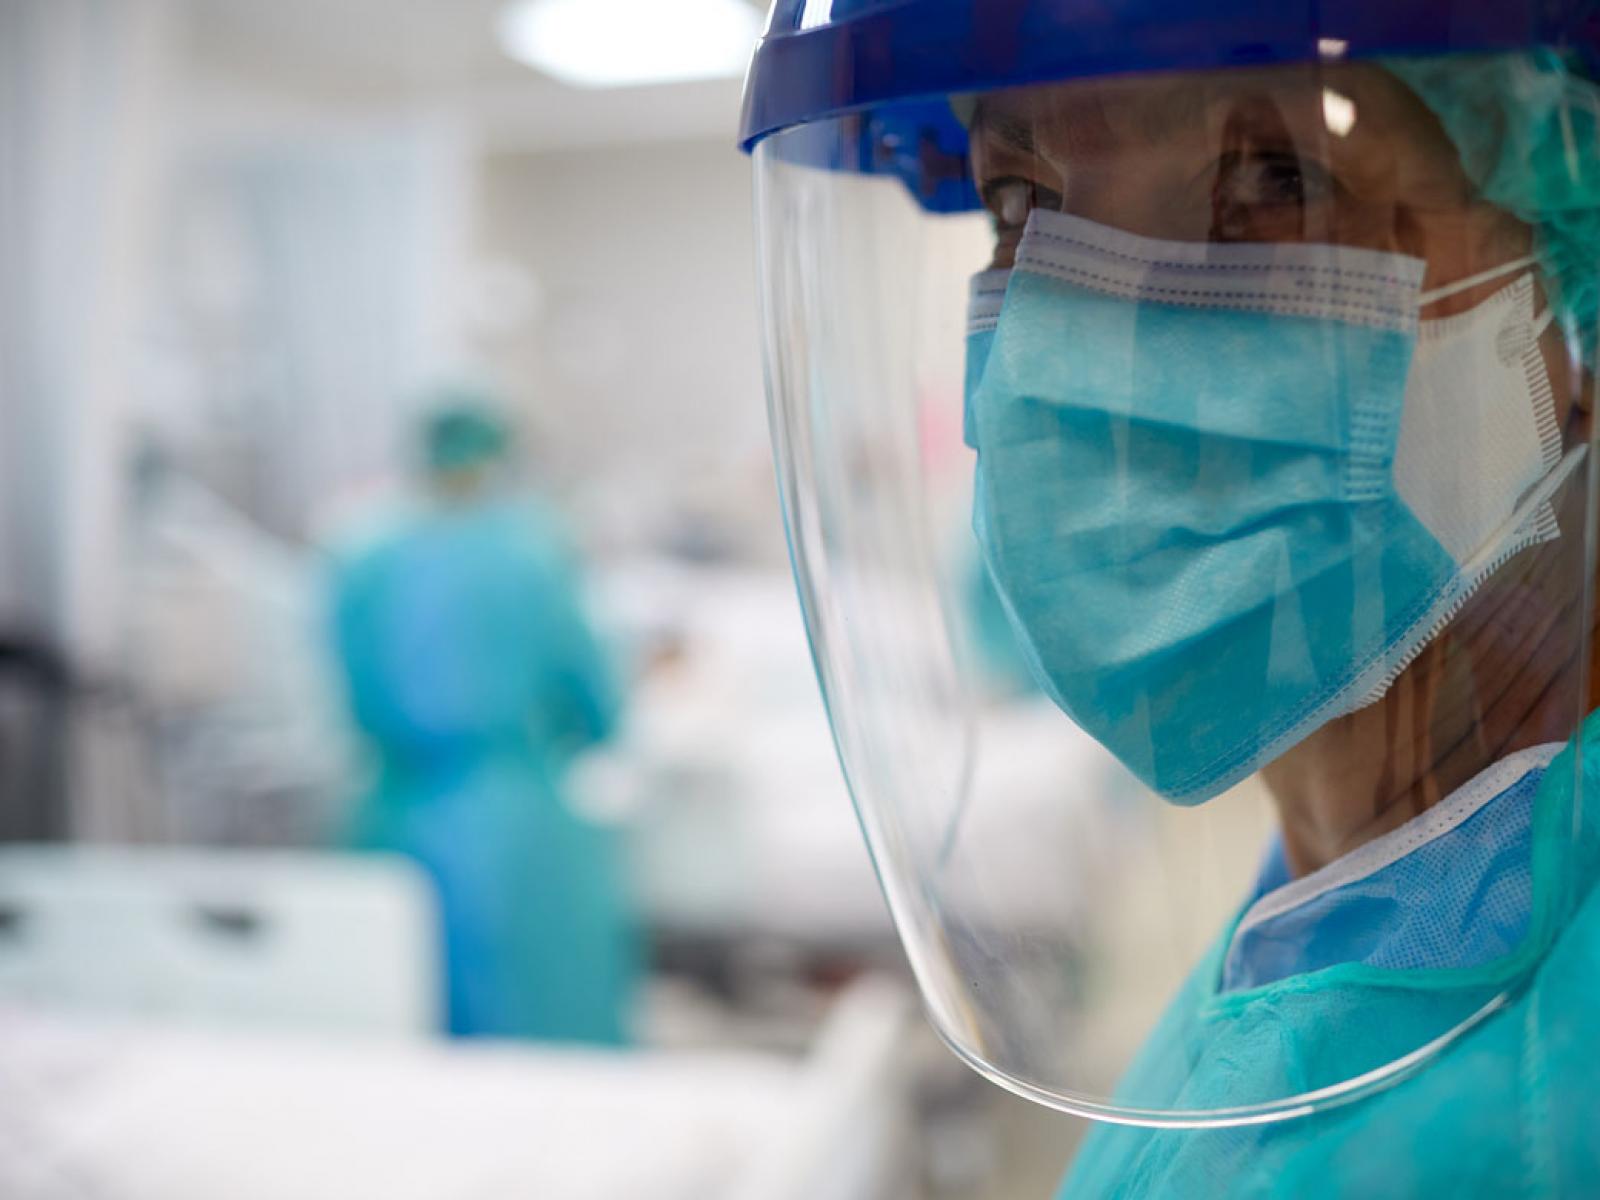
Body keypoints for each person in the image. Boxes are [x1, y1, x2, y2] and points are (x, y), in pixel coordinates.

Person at [741, 6, 1600, 1195]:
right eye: (1018, 204)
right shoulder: (1326, 941)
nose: (1082, 336)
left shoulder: (1554, 1096)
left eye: (1269, 176)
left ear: (1567, 317)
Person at [330, 395, 637, 1043]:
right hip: (520, 823)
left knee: (402, 1021)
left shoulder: (364, 557)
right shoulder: (532, 553)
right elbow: (593, 698)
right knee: (539, 1023)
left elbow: (351, 703)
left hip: (393, 817)